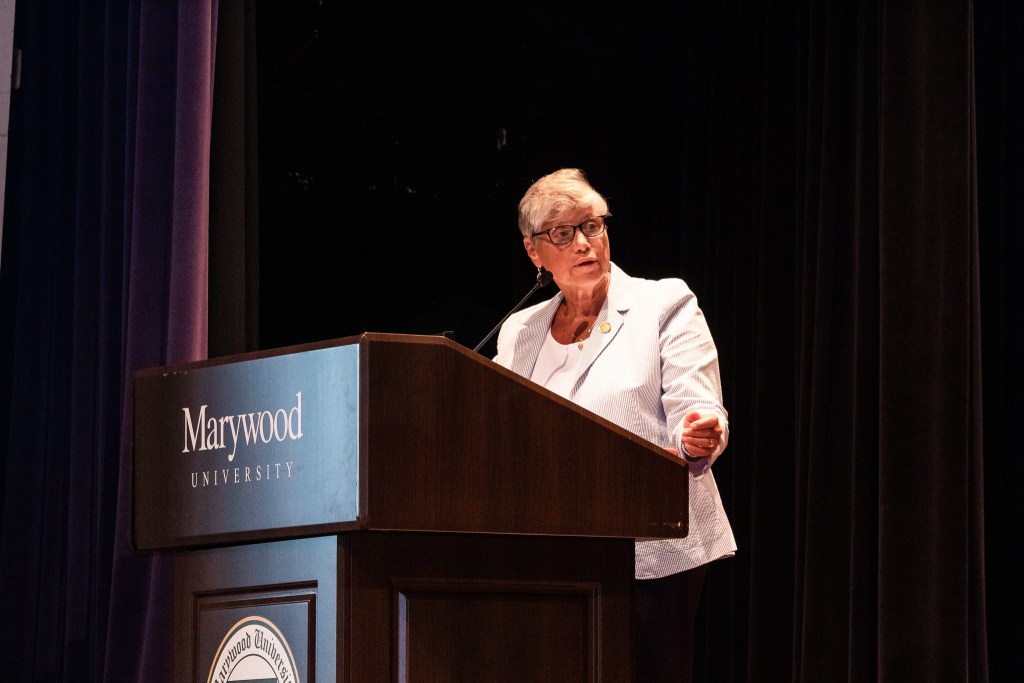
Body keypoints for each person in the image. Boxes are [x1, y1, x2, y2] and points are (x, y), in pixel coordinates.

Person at [492, 168, 736, 683]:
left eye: (593, 226)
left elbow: (699, 407)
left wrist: (699, 434)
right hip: (550, 550)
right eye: (562, 233)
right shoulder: (520, 330)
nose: (583, 243)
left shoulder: (663, 304)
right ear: (534, 252)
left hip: (652, 548)